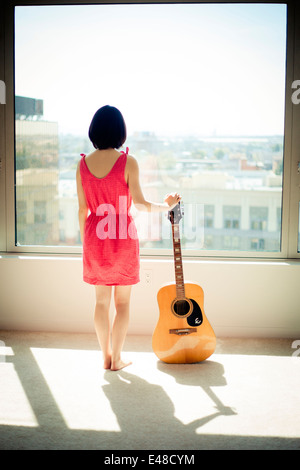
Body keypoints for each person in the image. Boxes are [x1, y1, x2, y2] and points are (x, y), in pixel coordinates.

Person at [76, 105, 181, 371]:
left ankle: (105, 357)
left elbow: (82, 209)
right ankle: (118, 358)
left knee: (100, 301)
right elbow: (141, 204)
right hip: (122, 235)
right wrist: (167, 207)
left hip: (94, 236)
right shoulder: (127, 162)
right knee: (122, 303)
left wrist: (86, 241)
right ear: (121, 132)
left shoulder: (82, 164)